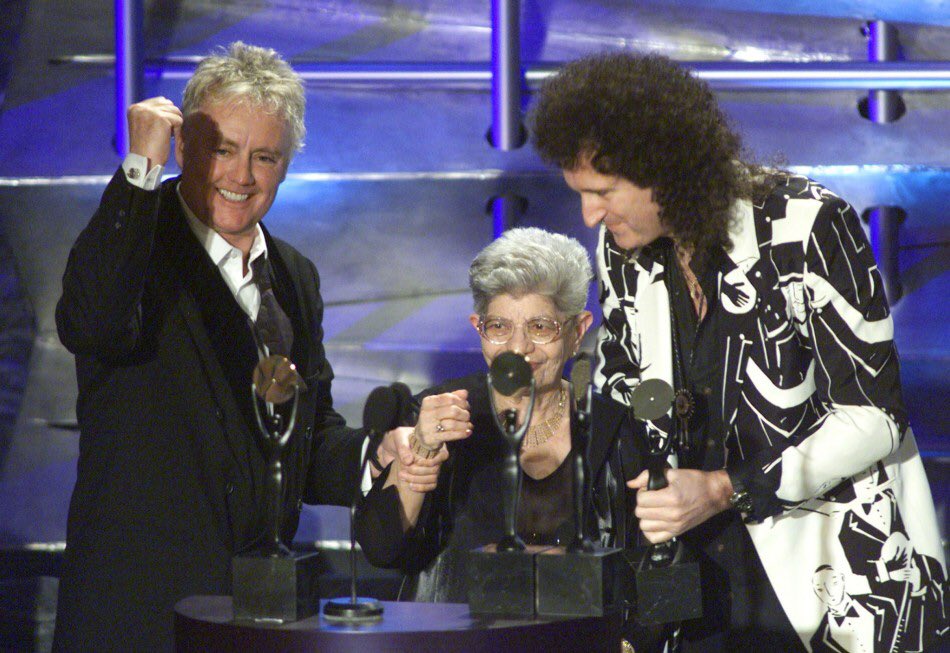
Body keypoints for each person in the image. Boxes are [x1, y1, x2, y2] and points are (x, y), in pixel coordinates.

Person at [529, 52, 947, 651]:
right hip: (694, 587)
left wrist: (724, 488)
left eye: (602, 192)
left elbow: (876, 418)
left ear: (663, 169)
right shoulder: (622, 249)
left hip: (831, 581)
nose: (589, 214)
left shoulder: (808, 225)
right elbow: (626, 381)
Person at [52, 42, 441, 651]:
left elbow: (302, 442)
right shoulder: (136, 247)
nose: (241, 176)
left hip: (258, 616)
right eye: (223, 150)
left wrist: (377, 453)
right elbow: (92, 324)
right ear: (184, 147)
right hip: (136, 616)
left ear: (286, 165)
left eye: (264, 157)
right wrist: (140, 168)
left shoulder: (294, 275)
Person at [355, 227, 597, 602]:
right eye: (499, 327)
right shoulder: (437, 413)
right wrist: (420, 452)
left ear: (577, 331)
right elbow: (382, 549)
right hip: (453, 627)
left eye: (540, 327)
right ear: (478, 328)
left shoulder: (607, 425)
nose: (518, 348)